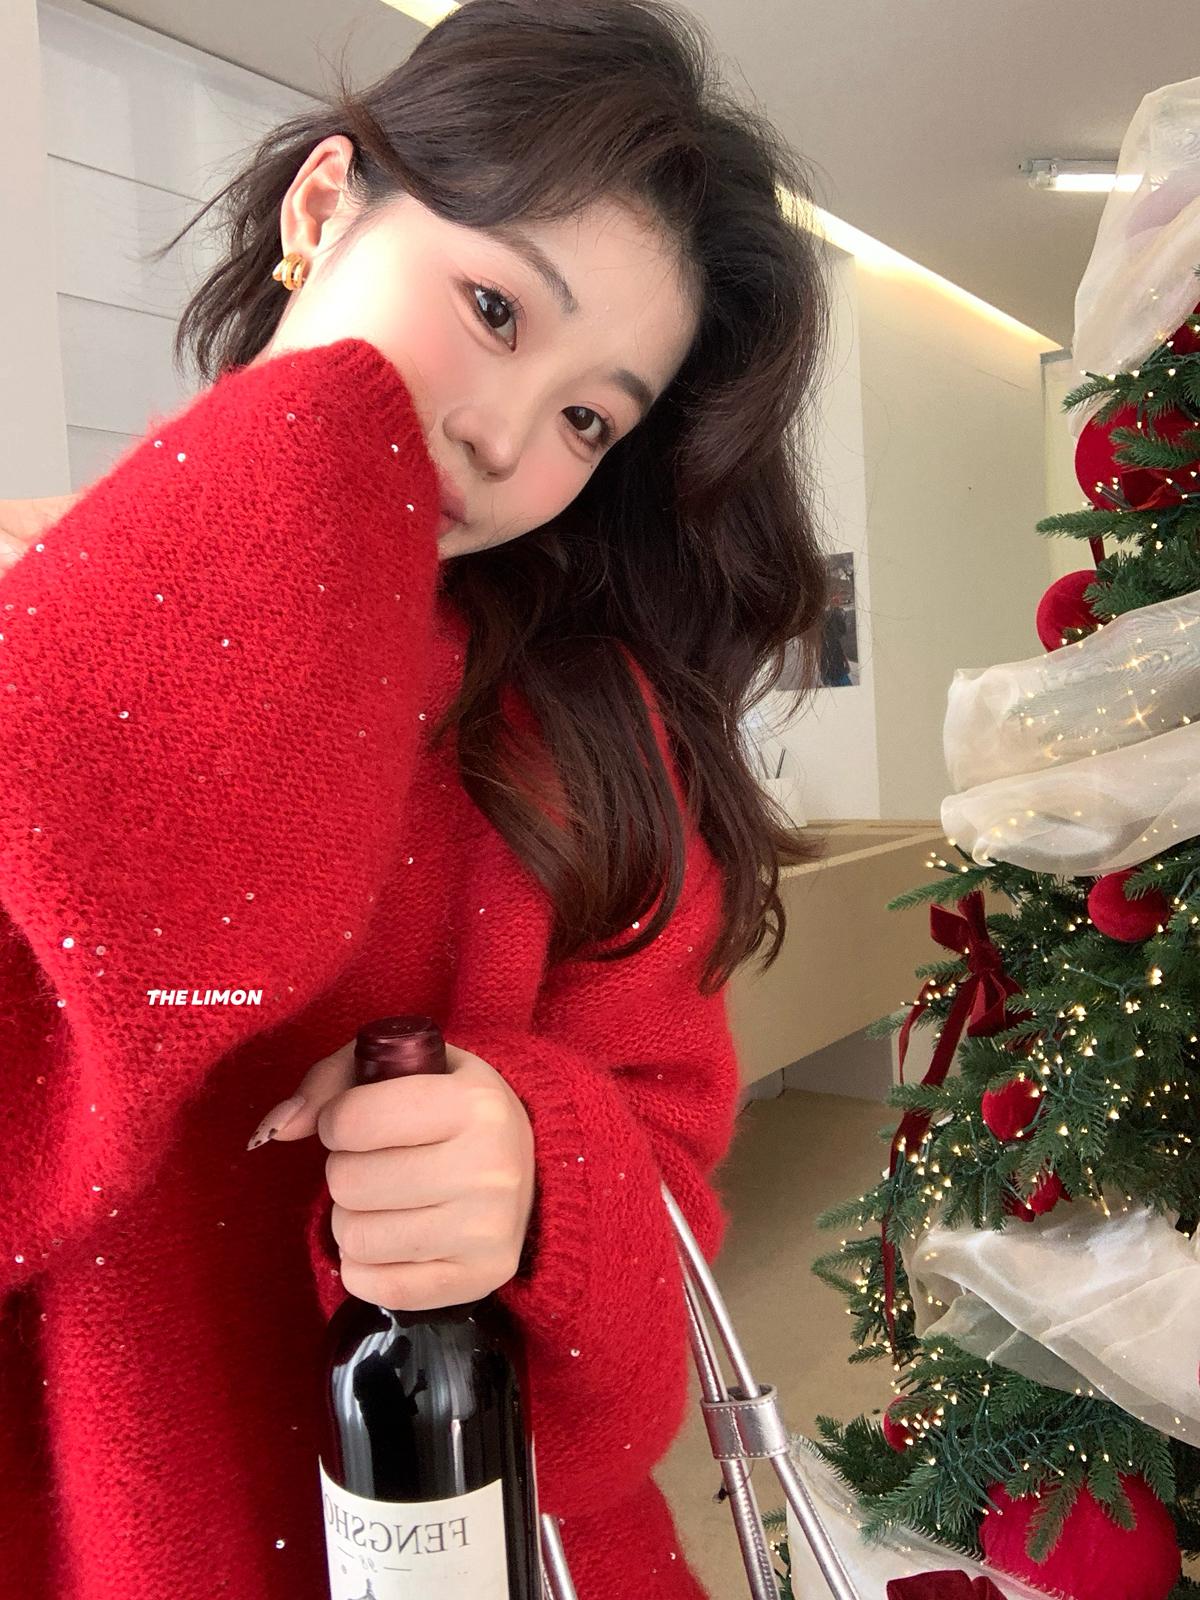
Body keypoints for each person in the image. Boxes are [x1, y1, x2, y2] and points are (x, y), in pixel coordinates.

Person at [0, 2, 833, 1595]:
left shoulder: (592, 740)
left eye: (591, 418)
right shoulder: (34, 625)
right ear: (322, 207)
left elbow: (651, 1296)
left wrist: (538, 1168)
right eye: (495, 308)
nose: (504, 437)